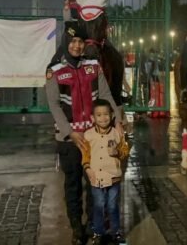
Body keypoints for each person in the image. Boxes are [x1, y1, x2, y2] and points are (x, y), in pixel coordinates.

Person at [46, 21, 122, 245]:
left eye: (80, 42)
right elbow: (54, 105)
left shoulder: (93, 67)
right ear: (66, 43)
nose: (77, 46)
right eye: (73, 42)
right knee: (73, 185)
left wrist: (117, 120)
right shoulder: (55, 71)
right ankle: (77, 228)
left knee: (96, 184)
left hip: (94, 139)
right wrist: (70, 132)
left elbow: (107, 94)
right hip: (69, 140)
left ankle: (93, 225)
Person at [81, 99, 129, 245]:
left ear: (112, 115)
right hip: (96, 178)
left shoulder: (117, 134)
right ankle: (98, 232)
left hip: (113, 177)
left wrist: (118, 152)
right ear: (92, 118)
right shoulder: (88, 136)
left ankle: (115, 232)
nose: (103, 118)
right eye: (99, 115)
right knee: (99, 205)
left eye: (106, 114)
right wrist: (88, 169)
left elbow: (125, 152)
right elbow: (85, 156)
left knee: (113, 206)